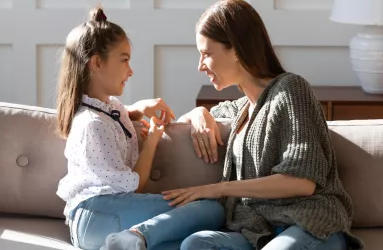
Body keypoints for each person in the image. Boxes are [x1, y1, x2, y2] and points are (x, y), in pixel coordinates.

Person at [162, 0, 364, 249]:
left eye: (206, 53)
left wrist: (218, 189)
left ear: (236, 49)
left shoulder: (291, 89)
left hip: (309, 224)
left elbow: (302, 182)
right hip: (257, 230)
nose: (200, 65)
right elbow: (187, 119)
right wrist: (199, 113)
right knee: (197, 243)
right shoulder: (241, 108)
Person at [55, 7, 224, 250]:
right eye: (124, 60)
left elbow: (116, 116)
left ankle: (132, 241)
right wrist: (153, 139)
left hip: (100, 218)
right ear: (96, 63)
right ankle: (137, 236)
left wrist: (138, 108)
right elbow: (135, 185)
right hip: (97, 214)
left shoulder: (106, 109)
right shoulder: (92, 124)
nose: (130, 70)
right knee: (211, 210)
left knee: (190, 243)